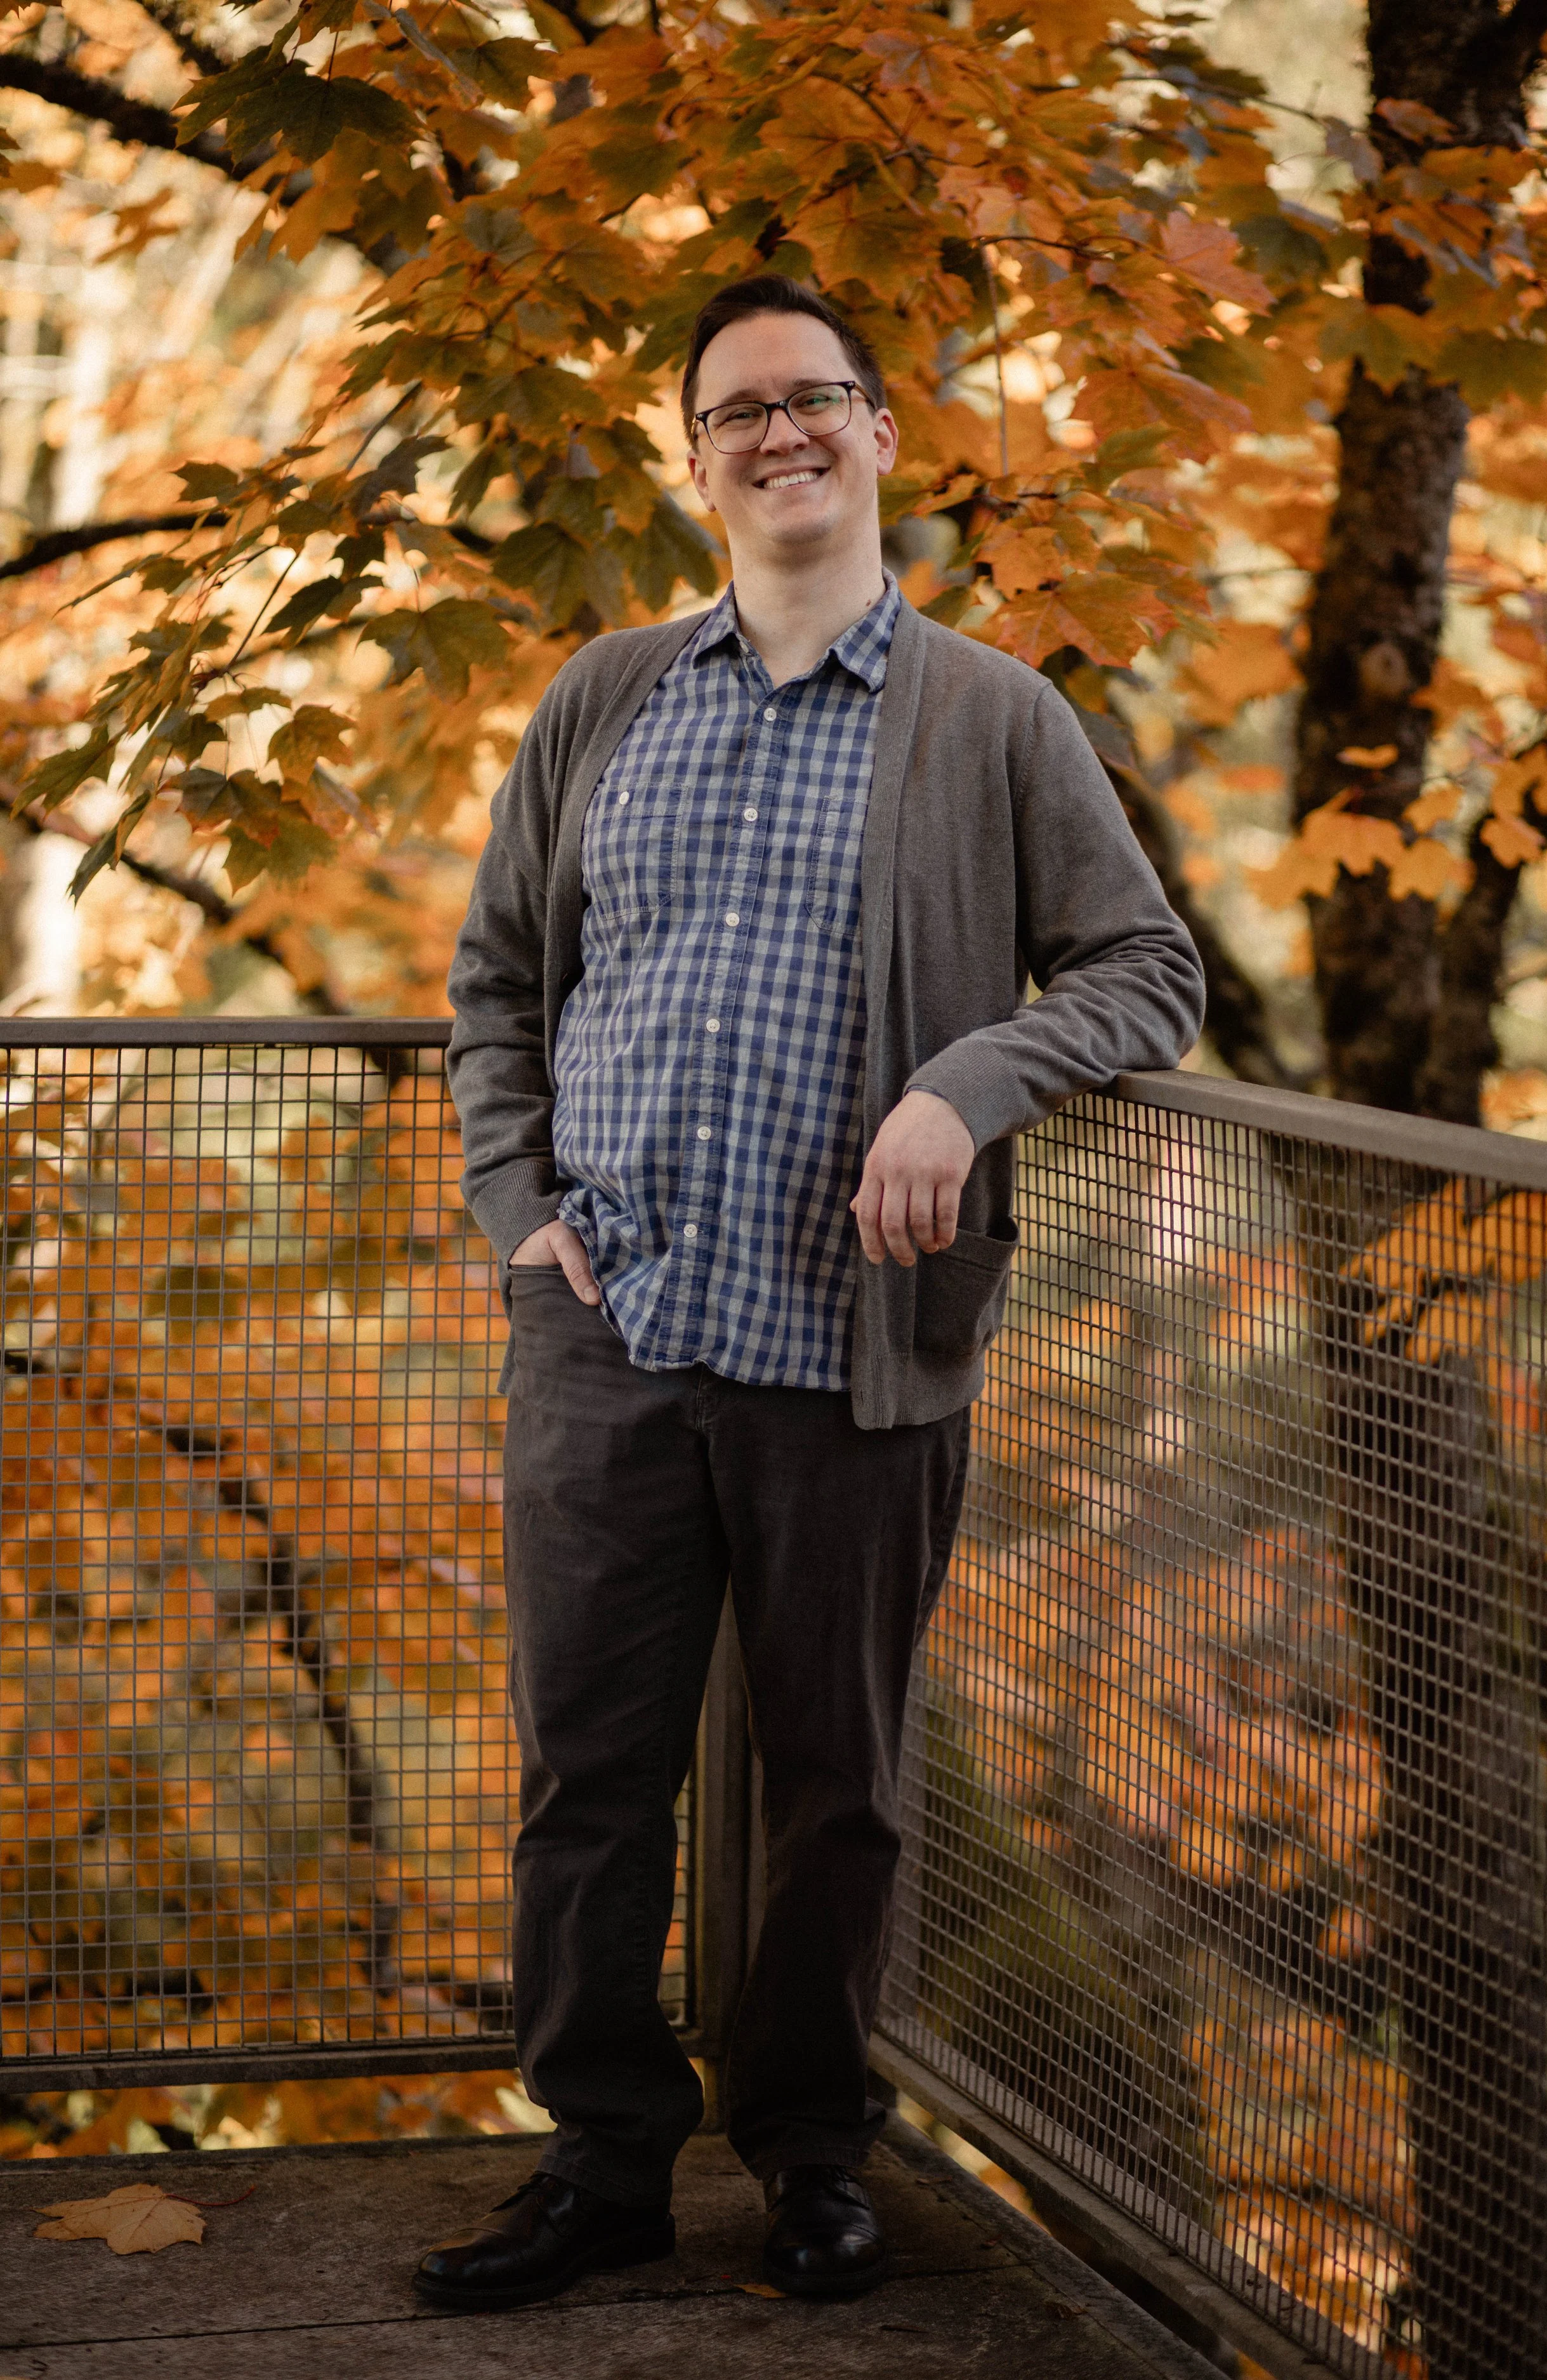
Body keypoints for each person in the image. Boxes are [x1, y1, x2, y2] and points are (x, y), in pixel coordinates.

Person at [419, 274, 1204, 2314]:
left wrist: (964, 1081)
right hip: (605, 1325)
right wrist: (519, 1206)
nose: (778, 436)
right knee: (586, 1770)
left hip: (849, 1354)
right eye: (735, 412)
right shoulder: (605, 697)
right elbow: (498, 984)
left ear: (876, 436)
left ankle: (808, 2151)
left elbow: (1145, 972)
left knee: (835, 1781)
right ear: (697, 463)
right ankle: (598, 2159)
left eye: (813, 401)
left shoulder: (988, 715)